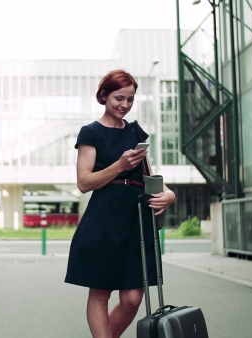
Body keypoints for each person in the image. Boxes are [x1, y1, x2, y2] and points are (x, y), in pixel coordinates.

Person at [65, 69, 175, 338]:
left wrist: (169, 194)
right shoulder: (90, 133)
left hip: (136, 221)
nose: (125, 105)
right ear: (103, 96)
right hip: (104, 219)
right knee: (101, 293)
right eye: (119, 98)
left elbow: (150, 175)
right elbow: (84, 182)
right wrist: (119, 165)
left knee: (132, 298)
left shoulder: (136, 131)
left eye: (130, 99)